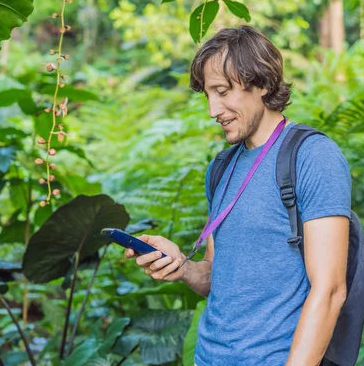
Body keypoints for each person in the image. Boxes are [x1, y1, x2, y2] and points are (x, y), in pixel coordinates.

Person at [124, 25, 351, 366]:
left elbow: (330, 290)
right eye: (208, 95)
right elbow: (216, 276)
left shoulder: (312, 156)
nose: (212, 110)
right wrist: (182, 267)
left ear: (261, 83)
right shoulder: (222, 167)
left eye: (223, 91)